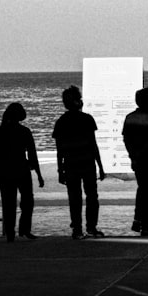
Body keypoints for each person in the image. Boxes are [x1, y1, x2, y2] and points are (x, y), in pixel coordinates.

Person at [51, 85, 106, 239]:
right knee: (92, 196)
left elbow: (59, 150)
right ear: (78, 101)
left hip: (70, 164)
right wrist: (100, 166)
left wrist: (60, 170)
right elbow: (93, 144)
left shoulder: (61, 122)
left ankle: (77, 229)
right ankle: (91, 227)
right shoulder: (87, 119)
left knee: (74, 197)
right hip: (87, 163)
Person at [0, 102, 44, 242]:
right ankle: (25, 229)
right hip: (22, 170)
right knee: (27, 202)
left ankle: (10, 232)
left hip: (5, 171)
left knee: (8, 204)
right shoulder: (24, 131)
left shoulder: (1, 131)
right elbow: (32, 155)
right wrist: (39, 175)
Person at [122, 87, 148, 237]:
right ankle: (146, 224)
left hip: (138, 160)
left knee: (141, 190)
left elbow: (126, 140)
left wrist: (134, 156)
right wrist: (141, 153)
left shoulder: (130, 118)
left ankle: (137, 220)